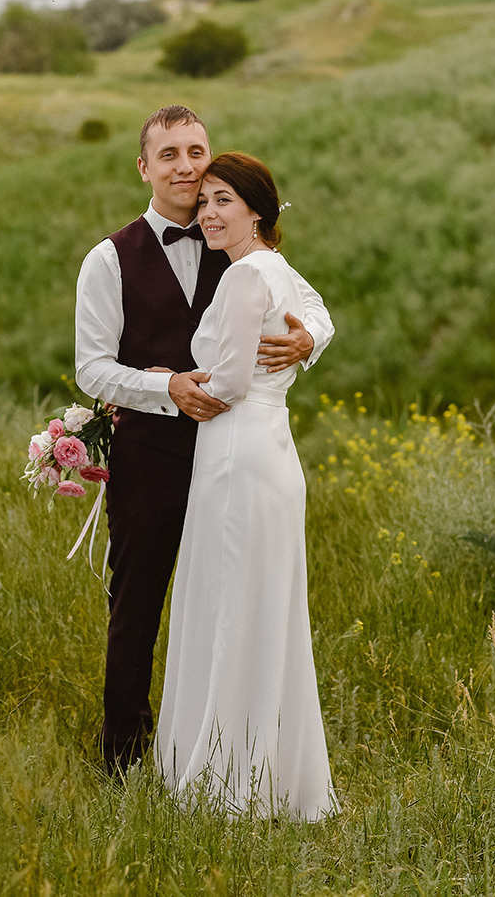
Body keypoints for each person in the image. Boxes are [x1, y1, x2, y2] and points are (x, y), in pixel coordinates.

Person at [74, 106, 333, 774]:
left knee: (228, 603)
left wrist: (305, 341)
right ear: (144, 167)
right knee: (136, 606)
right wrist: (167, 390)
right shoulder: (109, 258)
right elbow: (92, 366)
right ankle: (125, 756)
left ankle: (226, 751)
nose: (186, 166)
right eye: (170, 155)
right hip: (152, 456)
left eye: (196, 150)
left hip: (236, 458)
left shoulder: (235, 235)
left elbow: (314, 310)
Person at [155, 152, 338, 820]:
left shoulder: (243, 277)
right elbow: (317, 314)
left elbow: (228, 385)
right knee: (263, 607)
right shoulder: (277, 271)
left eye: (222, 199)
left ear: (257, 210)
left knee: (232, 603)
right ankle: (271, 775)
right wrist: (307, 339)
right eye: (202, 201)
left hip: (234, 455)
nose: (207, 212)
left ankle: (227, 779)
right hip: (273, 453)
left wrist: (165, 383)